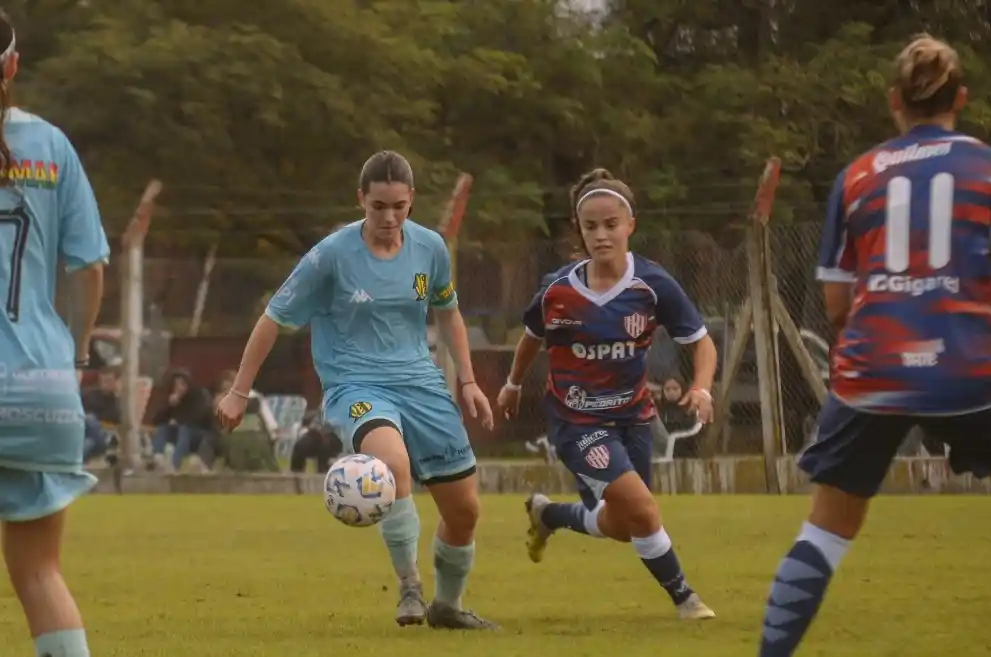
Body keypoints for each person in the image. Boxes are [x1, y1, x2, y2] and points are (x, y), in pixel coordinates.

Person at [736, 34, 991, 657]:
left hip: (873, 368)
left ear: (894, 102)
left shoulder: (857, 176)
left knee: (827, 529)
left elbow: (836, 304)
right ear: (961, 99)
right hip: (970, 367)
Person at [217, 150, 497, 630]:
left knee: (465, 511)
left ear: (412, 201)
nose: (389, 218)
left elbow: (448, 310)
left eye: (399, 207)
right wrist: (239, 392)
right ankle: (409, 588)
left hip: (422, 384)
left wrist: (468, 380)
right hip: (356, 385)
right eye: (378, 207)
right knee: (392, 464)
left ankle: (447, 606)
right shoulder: (330, 256)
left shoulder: (430, 248)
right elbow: (272, 319)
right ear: (361, 200)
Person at [497, 168, 718, 621]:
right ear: (579, 229)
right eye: (591, 226)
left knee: (624, 524)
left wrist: (701, 387)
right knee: (644, 510)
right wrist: (513, 384)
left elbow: (702, 343)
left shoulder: (652, 285)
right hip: (577, 422)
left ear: (630, 224)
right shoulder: (558, 289)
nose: (601, 235)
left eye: (611, 224)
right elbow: (531, 338)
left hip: (634, 418)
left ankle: (549, 515)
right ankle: (686, 599)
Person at [0, 14, 111, 657]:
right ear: (12, 66)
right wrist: (69, 355)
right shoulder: (51, 145)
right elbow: (89, 269)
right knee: (40, 572)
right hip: (42, 390)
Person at [149, 369, 214, 473]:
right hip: (180, 432)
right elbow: (156, 420)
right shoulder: (172, 397)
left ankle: (175, 465)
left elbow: (197, 417)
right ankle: (157, 457)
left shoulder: (197, 395)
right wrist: (169, 405)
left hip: (197, 433)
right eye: (176, 385)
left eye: (182, 384)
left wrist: (179, 420)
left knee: (184, 429)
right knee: (163, 428)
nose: (179, 388)